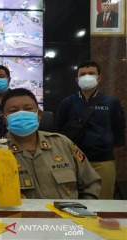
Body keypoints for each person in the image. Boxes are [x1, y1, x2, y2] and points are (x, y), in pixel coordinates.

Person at [0, 88, 101, 199]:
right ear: (4, 119)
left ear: (39, 115)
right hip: (18, 222)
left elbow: (90, 184)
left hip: (67, 221)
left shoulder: (63, 143)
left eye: (28, 109)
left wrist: (82, 215)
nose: (21, 114)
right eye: (13, 111)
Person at [56, 61, 125, 199]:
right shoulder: (67, 102)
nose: (87, 77)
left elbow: (119, 127)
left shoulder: (111, 102)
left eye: (91, 74)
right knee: (73, 200)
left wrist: (108, 144)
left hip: (103, 161)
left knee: (103, 202)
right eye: (83, 74)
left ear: (99, 78)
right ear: (77, 79)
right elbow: (59, 129)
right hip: (73, 161)